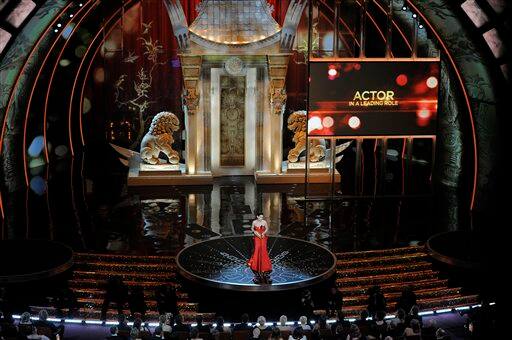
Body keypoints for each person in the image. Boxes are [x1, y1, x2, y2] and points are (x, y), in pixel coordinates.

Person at [247, 213, 272, 284]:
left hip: (263, 236)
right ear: (257, 216)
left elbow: (267, 228)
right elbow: (252, 228)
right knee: (257, 249)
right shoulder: (254, 222)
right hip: (256, 237)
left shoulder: (264, 222)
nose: (261, 218)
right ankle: (256, 263)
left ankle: (264, 264)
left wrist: (263, 233)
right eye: (260, 217)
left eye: (262, 217)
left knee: (263, 249)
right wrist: (255, 232)